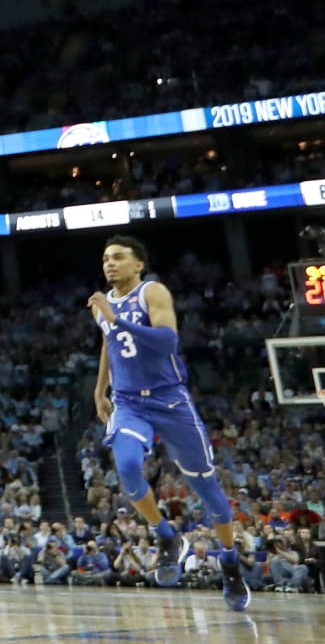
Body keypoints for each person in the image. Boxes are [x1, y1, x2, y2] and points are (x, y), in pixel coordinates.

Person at [90, 234, 248, 611]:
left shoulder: (152, 292)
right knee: (126, 465)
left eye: (117, 257)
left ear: (138, 263)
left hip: (170, 399)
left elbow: (167, 342)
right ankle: (165, 536)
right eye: (105, 259)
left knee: (208, 492)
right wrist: (99, 390)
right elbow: (108, 344)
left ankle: (229, 560)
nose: (109, 264)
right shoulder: (102, 305)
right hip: (128, 401)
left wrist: (118, 322)